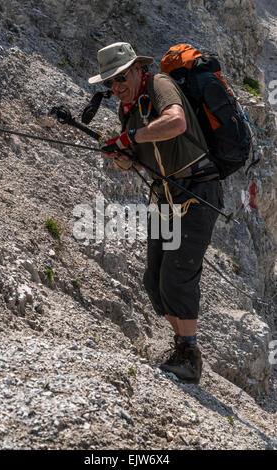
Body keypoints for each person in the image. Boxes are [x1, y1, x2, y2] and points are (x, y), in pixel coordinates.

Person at [88, 42, 223, 384]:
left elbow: (175, 123)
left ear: (137, 69)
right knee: (155, 280)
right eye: (110, 83)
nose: (116, 87)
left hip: (197, 191)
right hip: (164, 199)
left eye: (121, 78)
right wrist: (121, 154)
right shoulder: (129, 108)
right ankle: (182, 347)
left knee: (178, 275)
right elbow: (134, 159)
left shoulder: (159, 85)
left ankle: (190, 358)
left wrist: (128, 136)